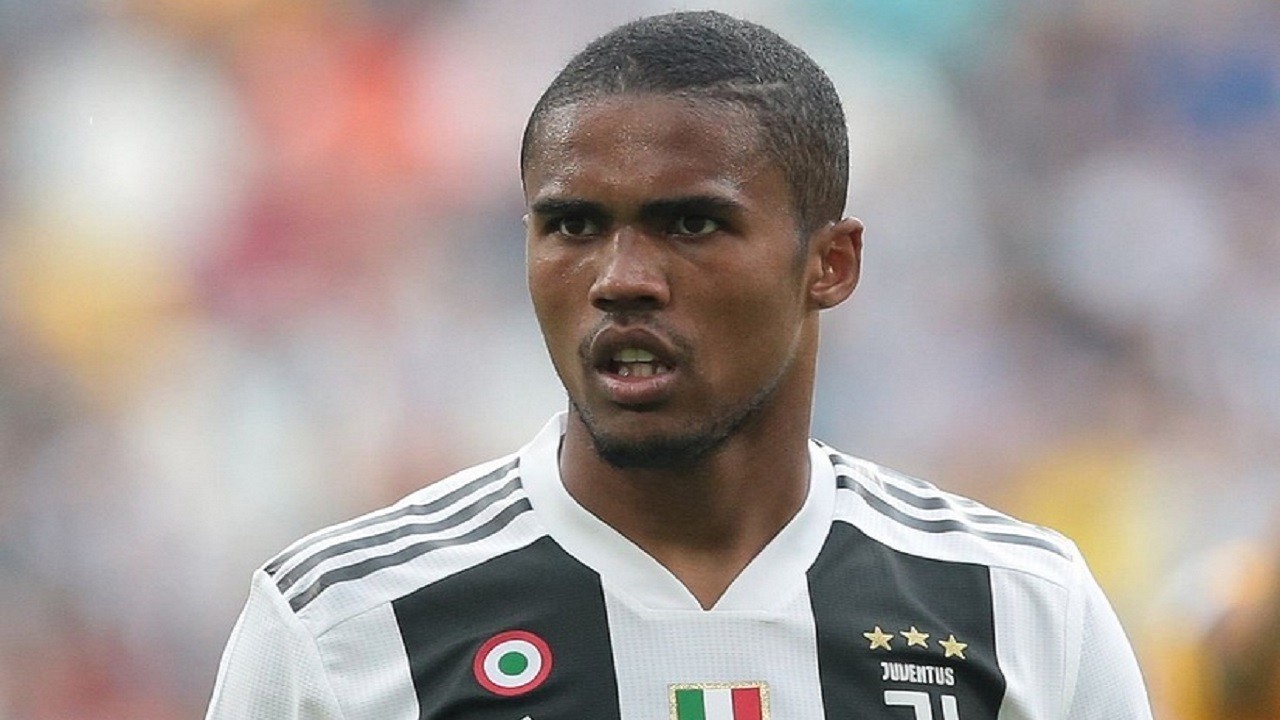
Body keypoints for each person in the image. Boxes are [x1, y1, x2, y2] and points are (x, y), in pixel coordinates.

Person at [205, 11, 1153, 719]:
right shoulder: (344, 626)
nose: (621, 278)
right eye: (573, 225)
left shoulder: (1015, 607)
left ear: (830, 263)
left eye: (692, 223)